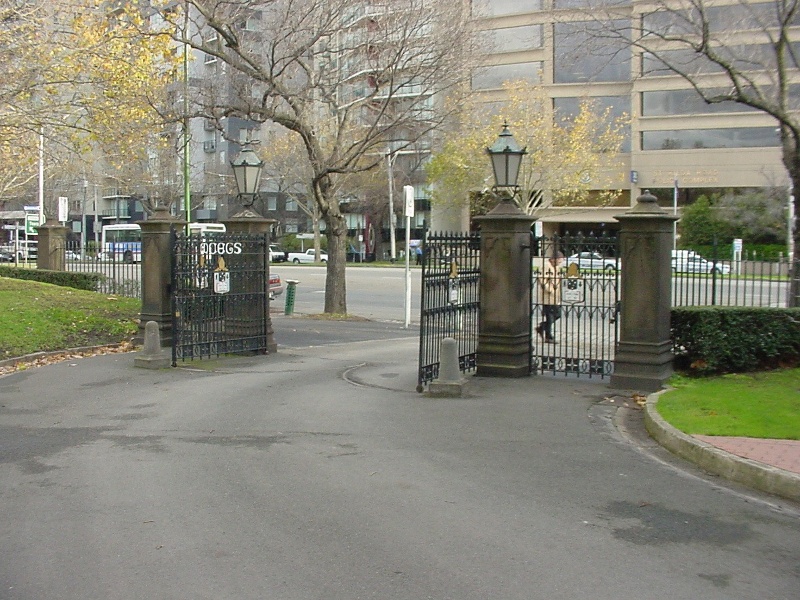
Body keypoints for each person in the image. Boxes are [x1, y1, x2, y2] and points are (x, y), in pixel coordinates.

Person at [536, 252, 564, 343]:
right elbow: (542, 279)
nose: (560, 263)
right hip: (548, 296)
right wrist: (550, 289)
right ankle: (548, 336)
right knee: (550, 316)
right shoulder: (546, 266)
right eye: (559, 261)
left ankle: (541, 327)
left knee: (557, 314)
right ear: (554, 259)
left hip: (556, 296)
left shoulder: (556, 267)